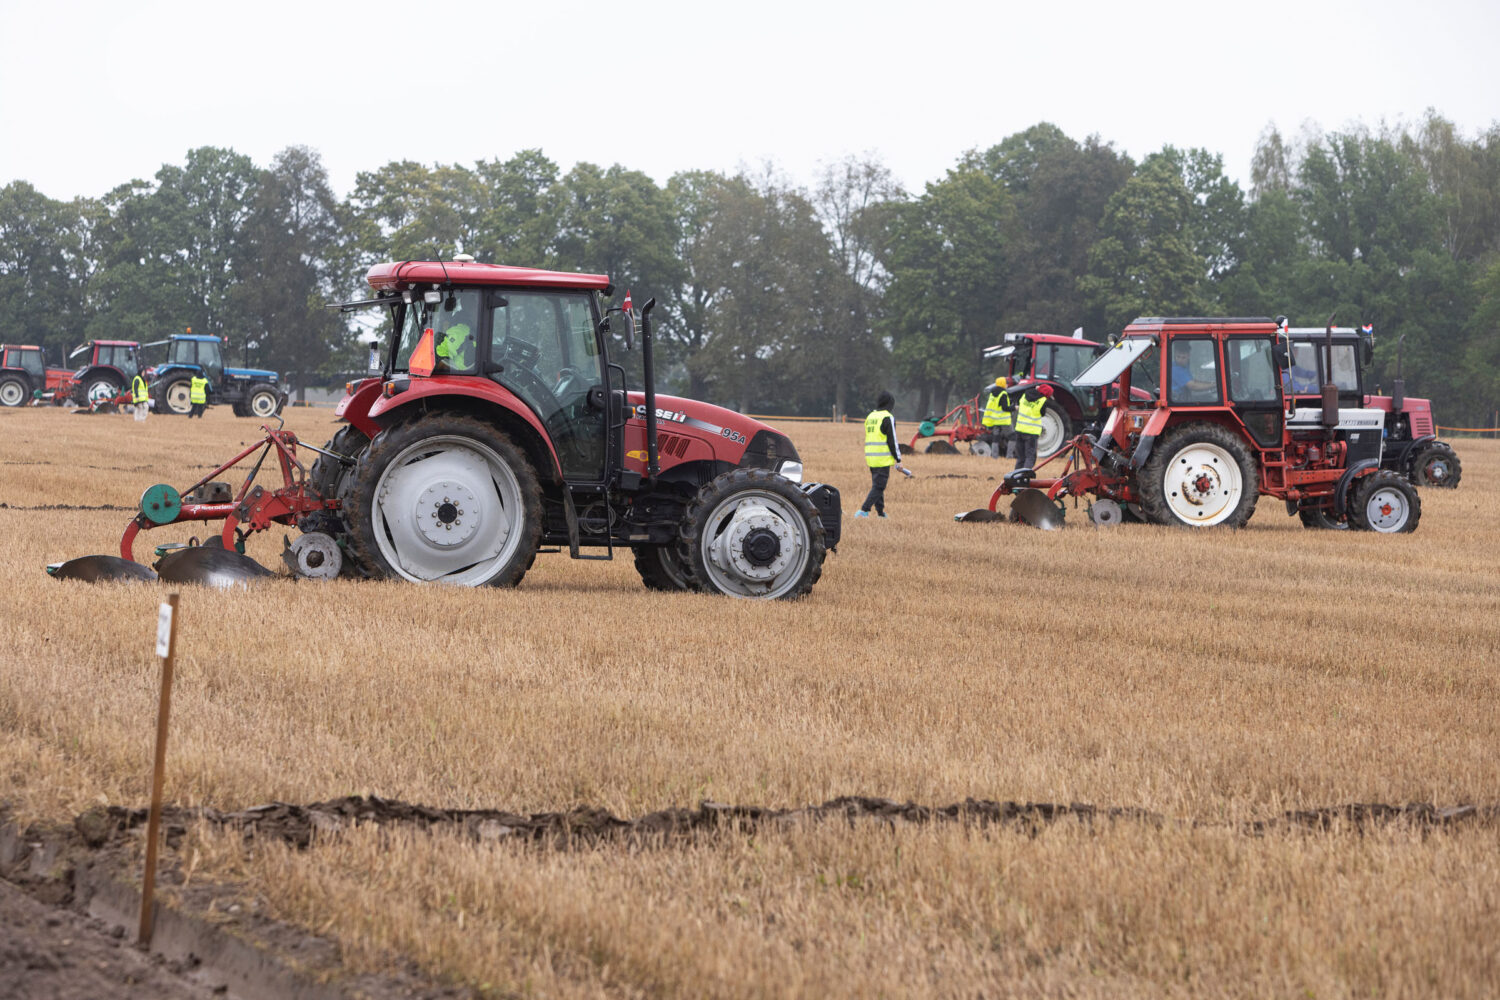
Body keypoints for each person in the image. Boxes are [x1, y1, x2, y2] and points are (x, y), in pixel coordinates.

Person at [858, 391, 905, 518]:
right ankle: (863, 510)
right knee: (879, 486)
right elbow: (892, 440)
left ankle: (880, 513)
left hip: (871, 458)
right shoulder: (887, 417)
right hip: (882, 459)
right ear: (890, 404)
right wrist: (898, 459)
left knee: (878, 485)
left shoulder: (870, 417)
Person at [1012, 384, 1053, 471]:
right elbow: (1042, 413)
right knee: (1030, 457)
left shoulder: (1025, 395)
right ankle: (1023, 477)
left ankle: (1015, 477)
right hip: (1031, 432)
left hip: (1019, 429)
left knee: (1020, 458)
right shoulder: (1042, 401)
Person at [979, 377, 1012, 459]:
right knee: (1013, 437)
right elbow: (1005, 408)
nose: (1007, 384)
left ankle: (994, 456)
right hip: (1003, 420)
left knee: (996, 438)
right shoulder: (1003, 394)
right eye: (1006, 383)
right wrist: (1014, 407)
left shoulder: (992, 394)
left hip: (994, 420)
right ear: (1002, 384)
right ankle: (1009, 456)